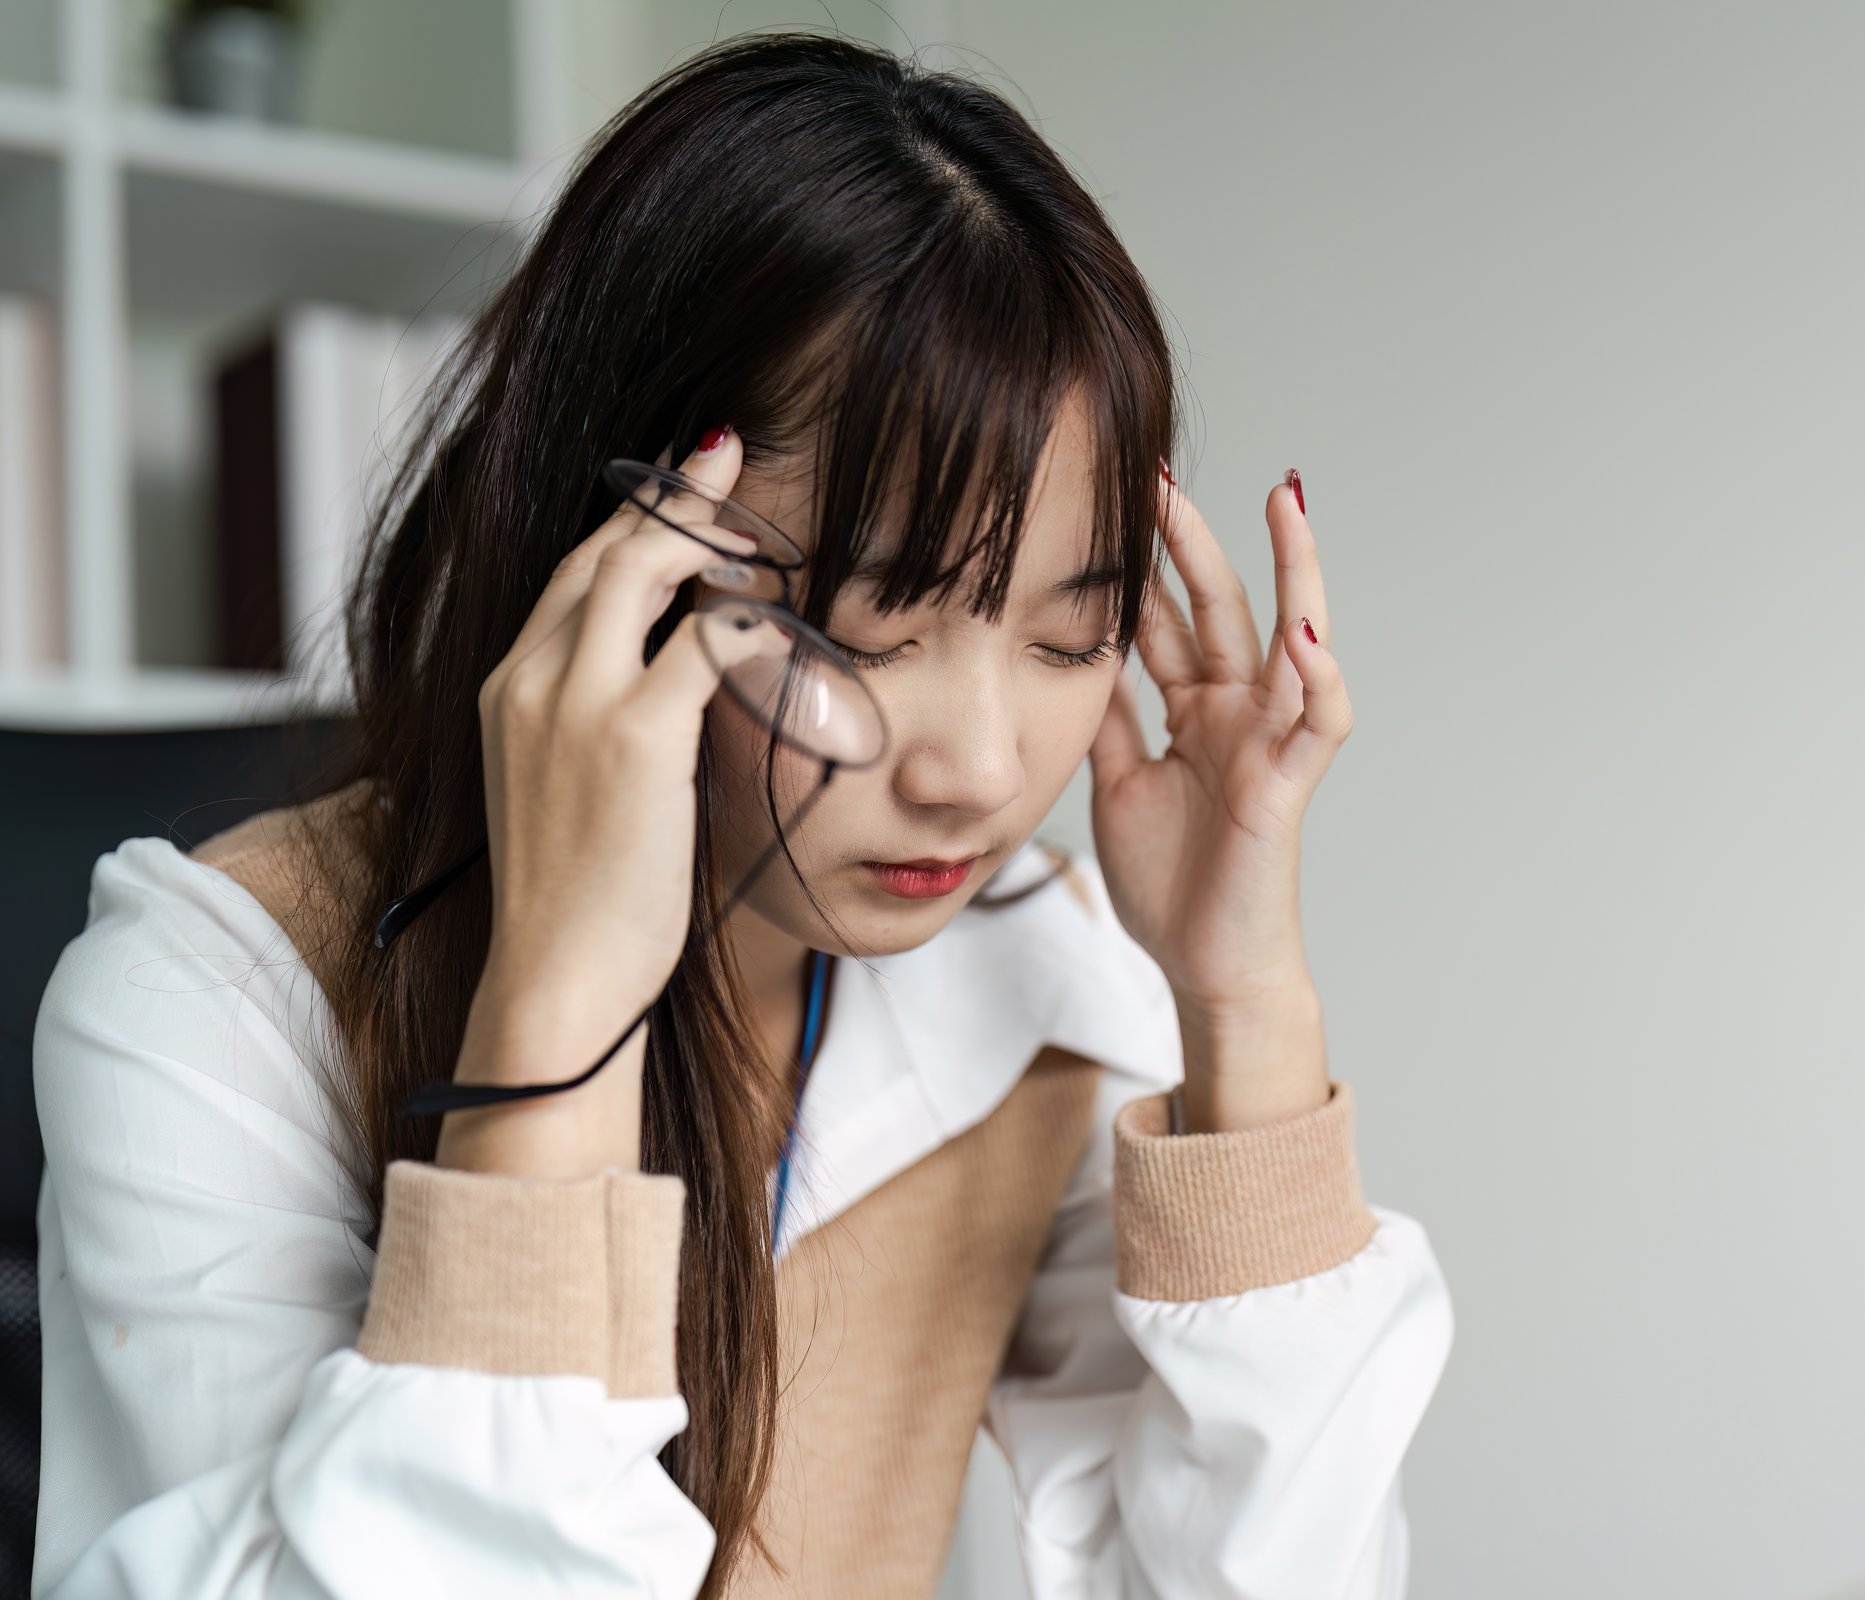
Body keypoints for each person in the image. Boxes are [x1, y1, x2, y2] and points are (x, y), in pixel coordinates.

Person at [30, 31, 1452, 1600]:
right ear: (621, 552)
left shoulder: (1034, 980)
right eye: (865, 629)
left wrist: (1242, 996)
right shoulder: (218, 998)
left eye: (1067, 638)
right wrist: (556, 1016)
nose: (979, 770)